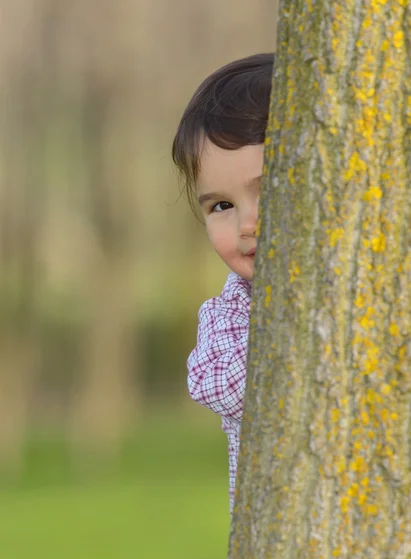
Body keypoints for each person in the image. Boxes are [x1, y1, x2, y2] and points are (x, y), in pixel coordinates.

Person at [172, 53, 274, 514]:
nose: (247, 224)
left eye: (269, 189)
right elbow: (214, 384)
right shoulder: (231, 312)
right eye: (221, 207)